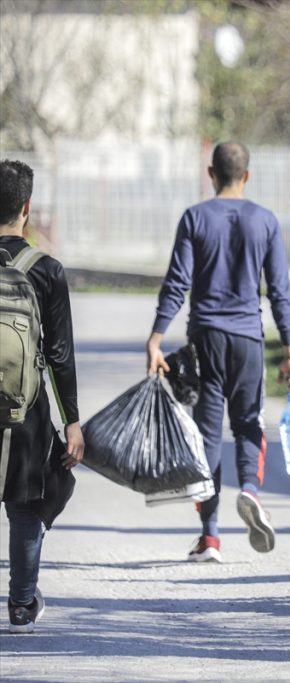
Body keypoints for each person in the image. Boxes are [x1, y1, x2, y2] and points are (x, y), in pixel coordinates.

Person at [146, 141, 290, 563]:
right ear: (246, 176)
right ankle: (249, 490)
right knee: (248, 425)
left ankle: (210, 537)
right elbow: (280, 293)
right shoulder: (265, 221)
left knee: (208, 435)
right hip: (248, 339)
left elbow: (177, 282)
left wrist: (156, 337)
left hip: (206, 340)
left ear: (211, 173)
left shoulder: (195, 217)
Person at [1, 158, 85, 634]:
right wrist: (72, 421)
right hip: (25, 413)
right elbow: (60, 354)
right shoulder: (46, 270)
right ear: (27, 208)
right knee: (25, 508)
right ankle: (20, 604)